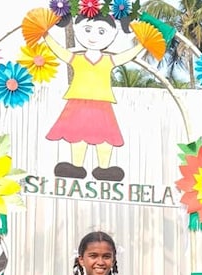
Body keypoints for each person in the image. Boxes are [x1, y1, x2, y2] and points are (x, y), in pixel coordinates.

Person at [43, 12, 143, 182]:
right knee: (77, 134)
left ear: (113, 33)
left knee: (105, 136)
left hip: (102, 105)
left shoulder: (108, 60)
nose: (93, 37)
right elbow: (59, 51)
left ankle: (104, 168)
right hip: (78, 102)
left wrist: (143, 45)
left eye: (101, 32)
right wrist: (45, 34)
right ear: (76, 28)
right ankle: (76, 166)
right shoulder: (77, 59)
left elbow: (127, 56)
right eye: (87, 29)